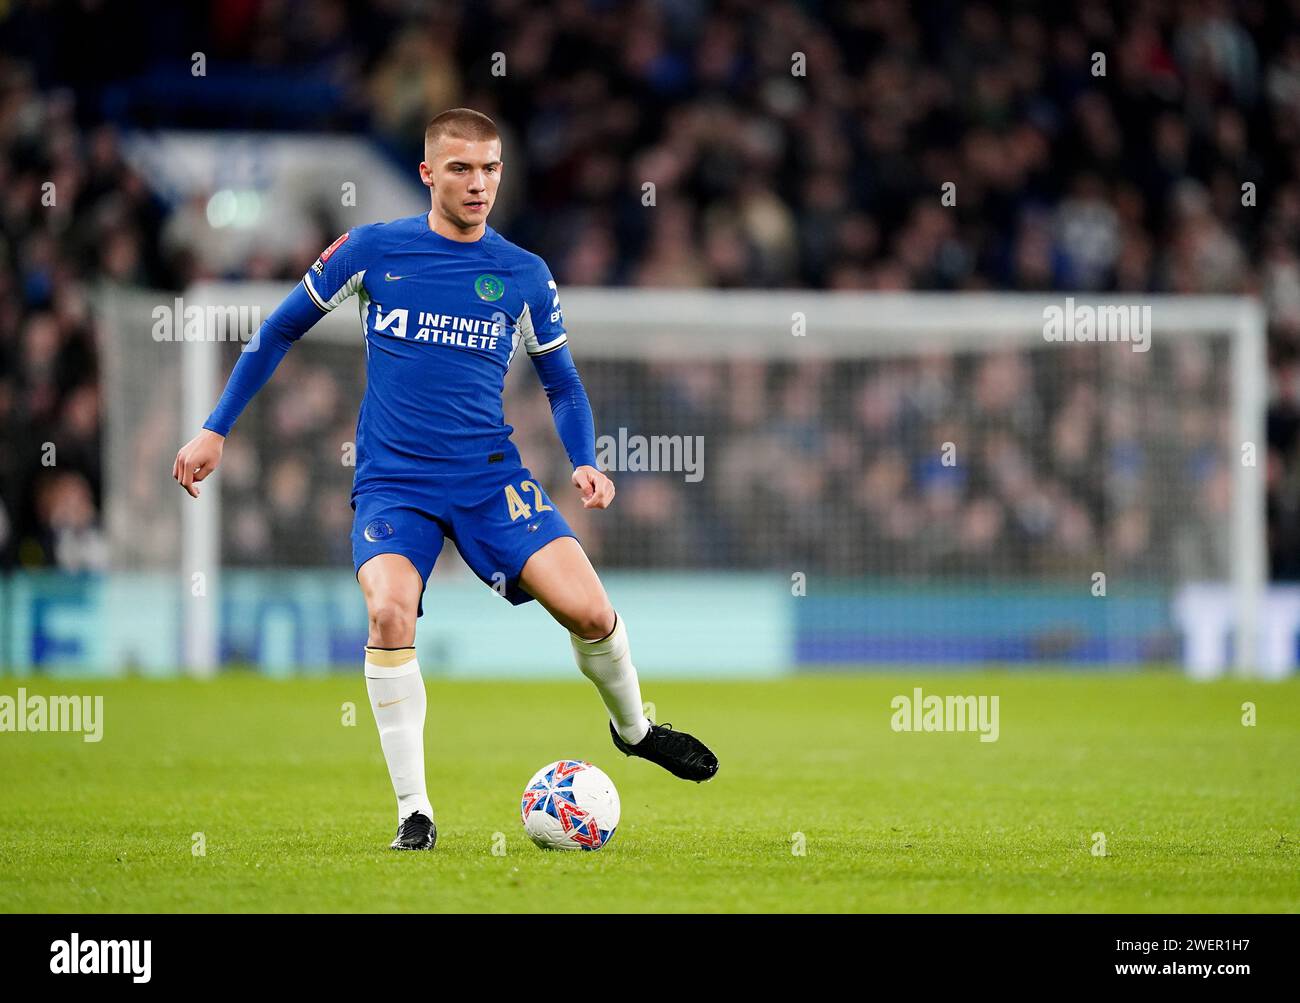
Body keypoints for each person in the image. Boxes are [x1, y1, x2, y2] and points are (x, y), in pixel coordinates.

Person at [172, 108, 719, 851]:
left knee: (591, 613)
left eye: (490, 168)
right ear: (428, 173)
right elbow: (277, 331)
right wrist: (215, 426)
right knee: (390, 612)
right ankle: (415, 812)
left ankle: (635, 728)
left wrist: (584, 457)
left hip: (490, 477)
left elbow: (561, 382)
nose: (479, 183)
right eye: (460, 168)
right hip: (395, 483)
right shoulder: (371, 250)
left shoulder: (523, 274)